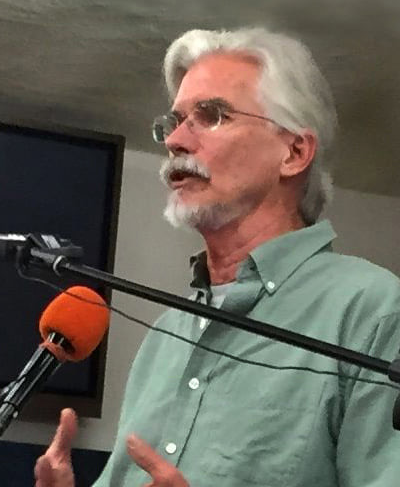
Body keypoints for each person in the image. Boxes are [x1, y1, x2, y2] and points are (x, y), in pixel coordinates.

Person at [35, 27, 400, 487]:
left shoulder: (373, 310)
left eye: (211, 116)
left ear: (294, 152)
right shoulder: (166, 334)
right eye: (174, 121)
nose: (175, 140)